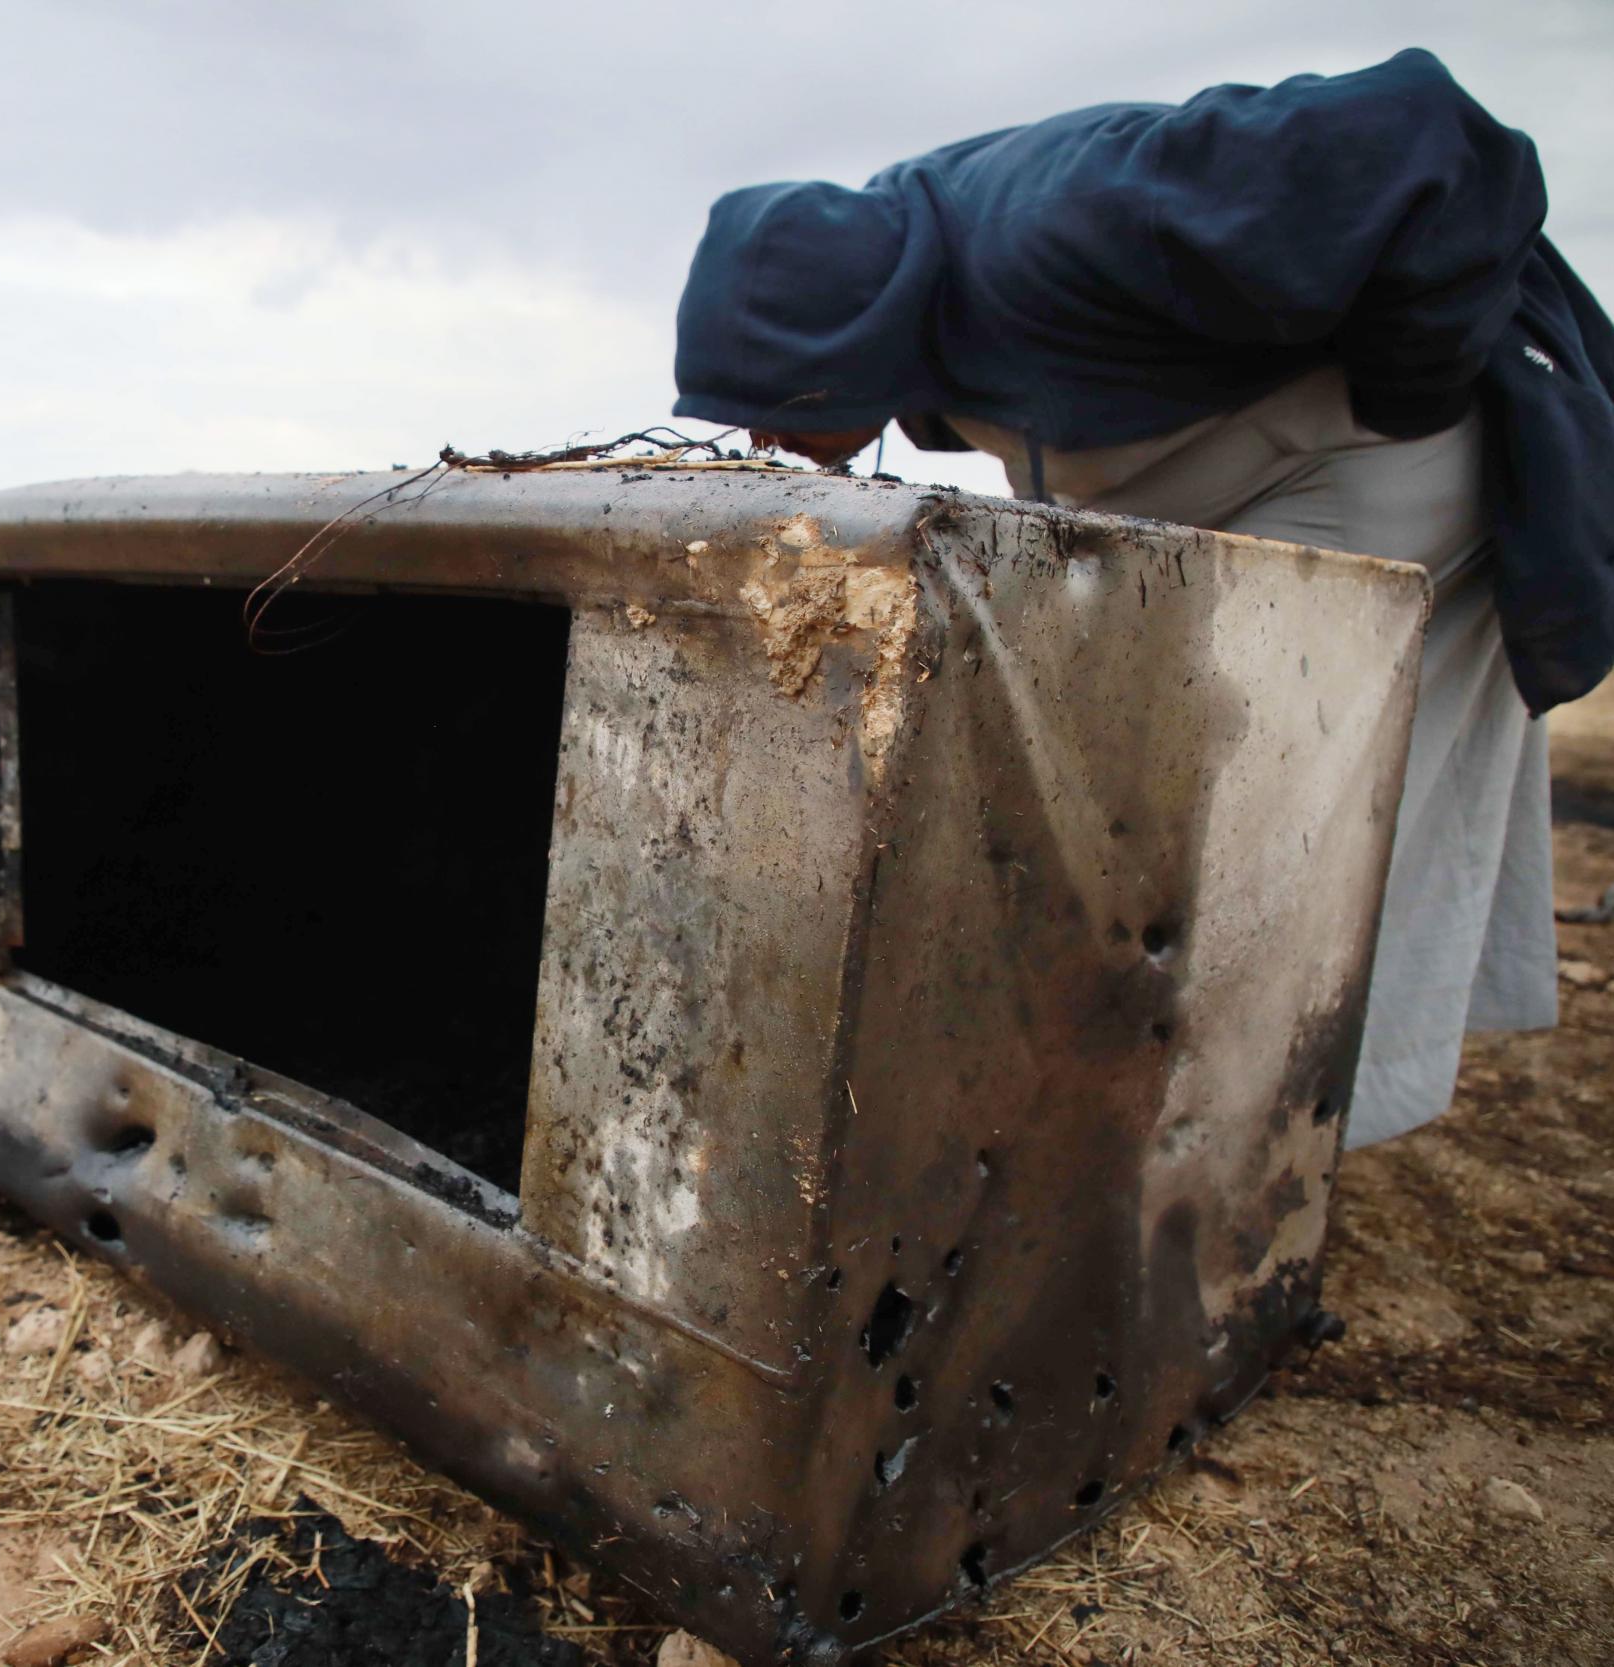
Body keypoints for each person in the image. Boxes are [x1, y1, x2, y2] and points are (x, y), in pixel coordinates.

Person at [671, 48, 1614, 1148]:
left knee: (1266, 825)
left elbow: (1425, 138)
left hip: (1377, 468)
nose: (762, 441)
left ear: (833, 347)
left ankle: (1248, 1135)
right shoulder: (908, 289)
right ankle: (1149, 1101)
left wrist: (1403, 391)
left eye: (771, 406)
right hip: (1254, 490)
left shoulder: (1069, 217)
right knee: (1150, 806)